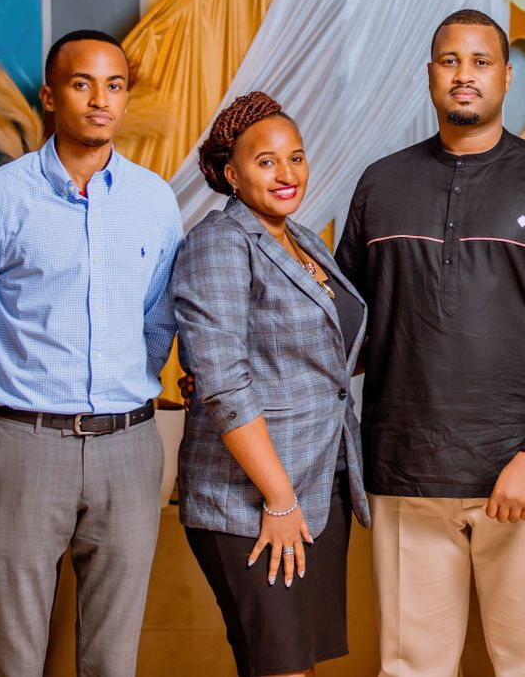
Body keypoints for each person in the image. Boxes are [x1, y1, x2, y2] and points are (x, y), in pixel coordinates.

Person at [335, 9, 525, 677]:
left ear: (507, 77)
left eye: (481, 62)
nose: (465, 75)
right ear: (430, 74)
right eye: (450, 61)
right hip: (404, 471)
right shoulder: (380, 183)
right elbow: (341, 325)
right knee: (409, 669)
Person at [0, 29, 182, 677]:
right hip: (25, 446)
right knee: (13, 660)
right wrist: (1, 423)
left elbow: (159, 320)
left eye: (114, 85)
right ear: (49, 96)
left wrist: (127, 388)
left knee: (112, 662)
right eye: (81, 84)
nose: (101, 100)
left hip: (129, 450)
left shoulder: (154, 201)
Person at [173, 92, 370, 677]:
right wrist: (279, 500)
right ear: (231, 174)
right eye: (266, 161)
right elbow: (223, 383)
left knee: (291, 666)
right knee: (282, 668)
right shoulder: (220, 241)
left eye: (296, 157)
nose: (287, 174)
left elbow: (323, 355)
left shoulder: (303, 239)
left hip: (318, 482)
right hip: (252, 499)